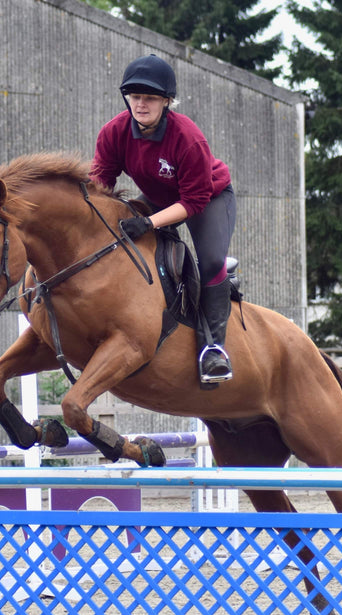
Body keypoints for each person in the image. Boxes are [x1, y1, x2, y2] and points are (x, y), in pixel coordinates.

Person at [90, 54, 236, 385]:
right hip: (159, 196)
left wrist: (152, 222)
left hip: (208, 197)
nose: (141, 105)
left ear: (166, 101)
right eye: (135, 97)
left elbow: (194, 199)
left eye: (150, 98)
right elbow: (100, 186)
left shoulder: (188, 137)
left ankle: (214, 350)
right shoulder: (114, 132)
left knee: (211, 260)